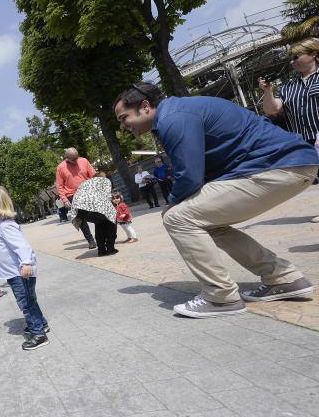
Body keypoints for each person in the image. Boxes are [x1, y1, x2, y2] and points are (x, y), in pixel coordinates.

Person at [115, 82, 319, 318]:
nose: (122, 126)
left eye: (123, 118)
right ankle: (283, 278)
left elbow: (188, 175)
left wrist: (171, 203)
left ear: (145, 106)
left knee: (177, 218)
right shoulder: (177, 112)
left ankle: (220, 297)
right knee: (205, 222)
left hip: (277, 166)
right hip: (288, 165)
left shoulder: (174, 118)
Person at [0, 187, 50, 350]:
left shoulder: (6, 226)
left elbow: (21, 245)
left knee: (26, 303)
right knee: (29, 300)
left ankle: (38, 334)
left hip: (20, 273)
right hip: (14, 273)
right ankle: (40, 323)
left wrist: (26, 263)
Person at [259, 37, 319, 221]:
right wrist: (267, 91)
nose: (292, 61)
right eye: (290, 58)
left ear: (314, 54)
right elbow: (272, 109)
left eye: (296, 56)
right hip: (305, 139)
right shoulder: (289, 87)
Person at [56, 148, 97, 248]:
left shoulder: (83, 161)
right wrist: (64, 199)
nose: (75, 161)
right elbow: (60, 185)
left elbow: (93, 175)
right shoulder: (61, 167)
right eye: (73, 159)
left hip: (88, 191)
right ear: (67, 158)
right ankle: (90, 240)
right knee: (80, 219)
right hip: (72, 195)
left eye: (76, 158)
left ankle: (103, 234)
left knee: (97, 214)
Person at [71, 172, 118, 256]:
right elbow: (107, 196)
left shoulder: (86, 183)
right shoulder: (104, 181)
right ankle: (110, 248)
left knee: (100, 224)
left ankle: (101, 250)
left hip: (81, 211)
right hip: (94, 207)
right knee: (112, 221)